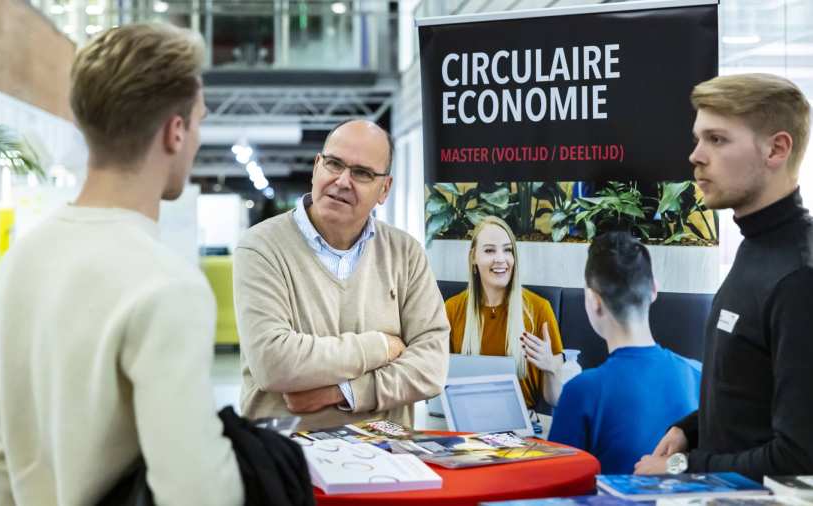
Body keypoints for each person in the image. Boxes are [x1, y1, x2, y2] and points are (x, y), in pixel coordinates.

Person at [0, 24, 243, 505]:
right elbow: (197, 492)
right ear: (176, 131)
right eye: (198, 122)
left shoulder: (14, 267)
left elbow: (2, 458)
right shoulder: (167, 287)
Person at [635, 73, 813, 480]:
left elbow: (799, 457)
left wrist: (682, 466)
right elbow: (751, 393)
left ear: (777, 149)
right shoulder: (757, 248)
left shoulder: (799, 278)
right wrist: (690, 429)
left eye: (716, 139)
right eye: (698, 139)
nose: (695, 156)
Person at [233, 119, 449, 430]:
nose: (343, 181)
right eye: (334, 164)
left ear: (384, 189)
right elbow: (274, 362)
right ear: (316, 167)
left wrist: (344, 392)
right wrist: (382, 346)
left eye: (362, 173)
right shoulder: (261, 247)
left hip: (387, 452)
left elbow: (432, 365)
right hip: (287, 453)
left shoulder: (405, 253)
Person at [548, 231, 701, 474]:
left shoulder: (580, 392)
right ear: (654, 289)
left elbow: (558, 485)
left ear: (594, 301)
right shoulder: (698, 374)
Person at [444, 215, 564, 409]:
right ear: (473, 257)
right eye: (489, 250)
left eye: (507, 250)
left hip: (522, 421)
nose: (500, 259)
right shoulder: (452, 309)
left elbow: (555, 399)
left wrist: (551, 369)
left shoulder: (539, 309)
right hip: (466, 417)